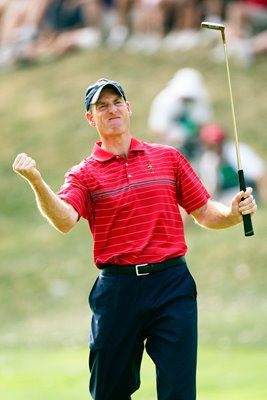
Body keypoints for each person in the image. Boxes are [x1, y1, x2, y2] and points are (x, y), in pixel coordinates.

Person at [12, 78, 257, 400]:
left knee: (179, 391)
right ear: (90, 118)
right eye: (102, 106)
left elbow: (204, 212)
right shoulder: (84, 173)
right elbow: (65, 220)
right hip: (118, 290)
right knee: (110, 392)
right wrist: (37, 181)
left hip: (172, 283)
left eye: (117, 102)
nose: (111, 110)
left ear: (129, 108)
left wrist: (233, 213)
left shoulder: (168, 157)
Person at [148, 68, 213, 165]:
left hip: (194, 145)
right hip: (170, 145)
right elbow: (156, 130)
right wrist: (174, 138)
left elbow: (204, 123)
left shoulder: (201, 99)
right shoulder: (164, 101)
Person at [199, 122, 267, 205]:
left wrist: (264, 198)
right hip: (224, 197)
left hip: (248, 193)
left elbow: (259, 175)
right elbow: (209, 188)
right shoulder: (208, 160)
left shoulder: (239, 151)